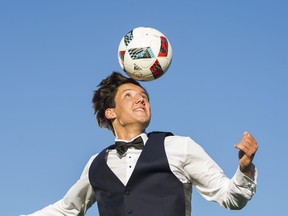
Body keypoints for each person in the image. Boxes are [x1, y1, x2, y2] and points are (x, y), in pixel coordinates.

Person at [21, 71, 258, 216]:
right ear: (111, 112)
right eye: (129, 95)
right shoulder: (96, 165)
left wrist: (244, 169)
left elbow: (230, 198)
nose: (141, 99)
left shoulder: (178, 147)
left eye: (144, 96)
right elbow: (66, 210)